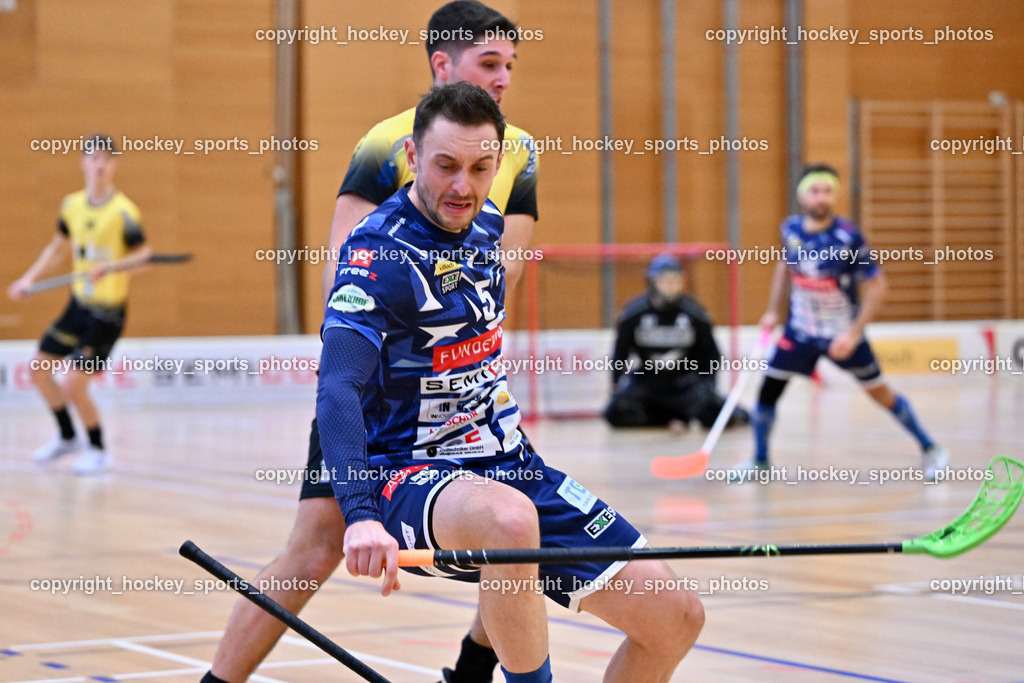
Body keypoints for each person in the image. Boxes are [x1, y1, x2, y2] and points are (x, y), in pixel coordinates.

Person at [320, 81, 703, 683]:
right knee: (509, 523)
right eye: (445, 165)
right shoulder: (375, 255)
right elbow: (337, 388)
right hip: (409, 475)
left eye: (480, 168)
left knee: (676, 619)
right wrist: (361, 514)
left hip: (512, 468)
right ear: (413, 157)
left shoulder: (488, 227)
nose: (462, 186)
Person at [204, 4, 538, 681]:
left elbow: (509, 261)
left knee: (516, 519)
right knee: (316, 546)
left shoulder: (520, 147)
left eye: (509, 65)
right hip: (375, 395)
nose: (503, 79)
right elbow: (344, 263)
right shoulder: (391, 140)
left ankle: (471, 671)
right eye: (489, 63)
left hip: (464, 392)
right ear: (442, 64)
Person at [731, 164, 949, 481]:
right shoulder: (790, 230)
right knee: (767, 392)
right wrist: (771, 311)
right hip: (801, 332)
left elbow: (877, 287)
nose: (822, 198)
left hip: (842, 336)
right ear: (802, 195)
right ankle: (760, 462)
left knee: (880, 394)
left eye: (828, 191)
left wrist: (853, 333)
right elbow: (783, 267)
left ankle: (931, 449)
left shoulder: (848, 238)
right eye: (815, 190)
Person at [7, 134, 151, 475]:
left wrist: (112, 268)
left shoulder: (124, 212)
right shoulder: (72, 205)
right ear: (83, 163)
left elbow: (144, 259)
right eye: (93, 158)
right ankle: (68, 437)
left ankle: (99, 449)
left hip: (107, 314)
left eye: (107, 159)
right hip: (78, 306)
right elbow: (58, 249)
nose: (100, 164)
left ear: (114, 164)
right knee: (39, 370)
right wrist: (29, 279)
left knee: (73, 383)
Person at [604, 253, 749, 430]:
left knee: (715, 415)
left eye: (675, 281)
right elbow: (620, 353)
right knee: (615, 413)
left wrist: (707, 384)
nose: (671, 286)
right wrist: (616, 383)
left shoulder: (695, 314)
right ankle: (671, 419)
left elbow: (710, 354)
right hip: (648, 383)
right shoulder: (633, 314)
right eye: (665, 281)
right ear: (653, 283)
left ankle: (737, 412)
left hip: (684, 383)